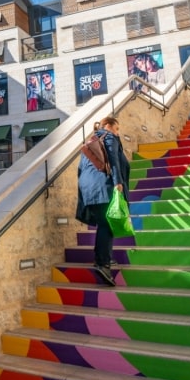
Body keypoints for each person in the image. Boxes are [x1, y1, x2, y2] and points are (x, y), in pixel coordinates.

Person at [75, 115, 130, 287]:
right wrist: (118, 182)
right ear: (108, 125)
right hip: (103, 185)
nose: (117, 132)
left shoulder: (91, 141)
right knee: (108, 223)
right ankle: (102, 263)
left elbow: (80, 169)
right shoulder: (108, 137)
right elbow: (113, 159)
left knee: (104, 223)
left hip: (89, 188)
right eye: (117, 128)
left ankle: (103, 257)